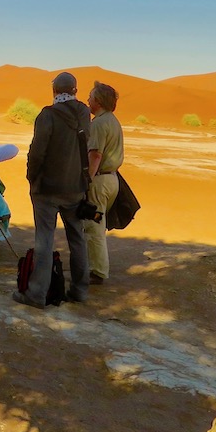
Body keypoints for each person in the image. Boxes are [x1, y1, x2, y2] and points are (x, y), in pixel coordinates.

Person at [15, 71, 91, 307]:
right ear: (76, 91)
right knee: (77, 238)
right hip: (76, 187)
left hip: (47, 189)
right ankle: (79, 290)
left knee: (45, 240)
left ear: (54, 91)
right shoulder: (84, 113)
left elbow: (37, 152)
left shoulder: (47, 116)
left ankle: (37, 293)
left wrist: (31, 176)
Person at [83, 81, 124, 285]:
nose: (87, 100)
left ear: (97, 101)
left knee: (94, 225)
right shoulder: (112, 120)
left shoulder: (98, 123)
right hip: (111, 179)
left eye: (90, 96)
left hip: (99, 181)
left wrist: (87, 180)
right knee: (96, 223)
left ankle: (97, 271)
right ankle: (92, 265)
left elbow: (96, 155)